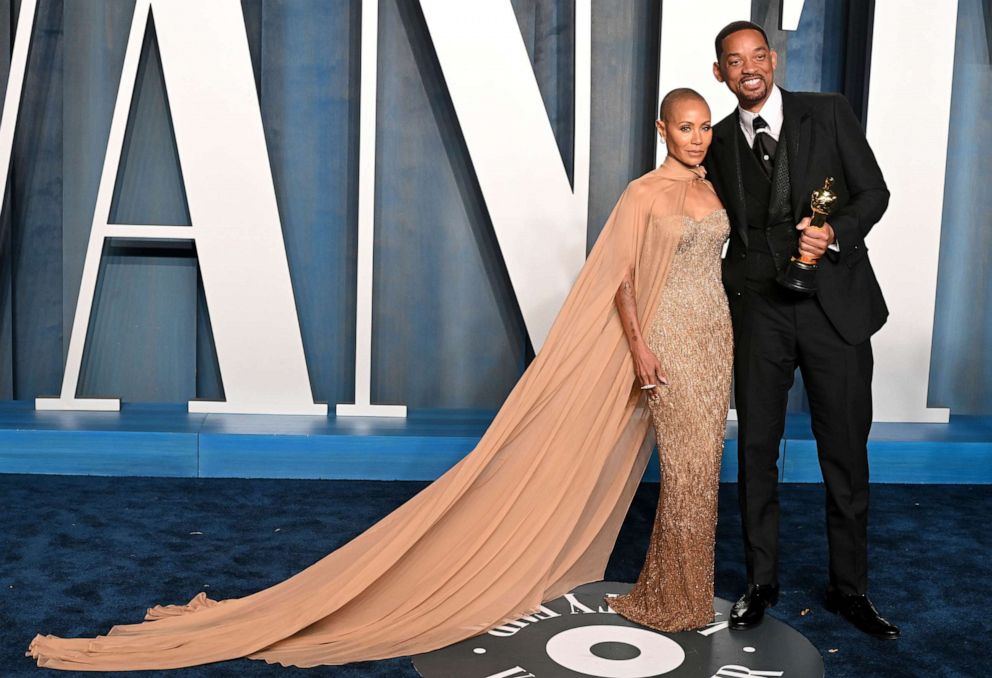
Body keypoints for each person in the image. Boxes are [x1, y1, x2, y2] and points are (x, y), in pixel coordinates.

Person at [27, 89, 731, 671]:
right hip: (666, 346)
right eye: (686, 126)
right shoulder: (644, 194)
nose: (697, 138)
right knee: (689, 473)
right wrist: (639, 347)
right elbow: (621, 281)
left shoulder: (711, 186)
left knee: (698, 471)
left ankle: (672, 592)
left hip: (714, 342)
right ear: (662, 129)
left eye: (705, 126)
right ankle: (674, 596)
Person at [703, 20, 900, 639]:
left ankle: (851, 588)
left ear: (773, 57)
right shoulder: (715, 143)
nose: (749, 68)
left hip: (834, 311)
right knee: (757, 451)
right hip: (759, 312)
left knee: (845, 451)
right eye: (734, 62)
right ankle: (761, 581)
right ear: (721, 74)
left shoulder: (829, 112)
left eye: (757, 55)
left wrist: (836, 231)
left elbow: (874, 192)